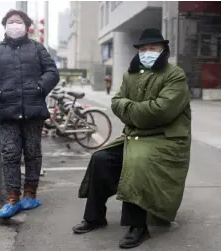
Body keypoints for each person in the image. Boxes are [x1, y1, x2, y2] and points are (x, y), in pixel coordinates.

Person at [72, 28, 192, 249]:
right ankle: (94, 217)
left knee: (137, 163)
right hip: (136, 136)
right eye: (143, 48)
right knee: (100, 158)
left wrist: (130, 109)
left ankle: (138, 226)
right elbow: (116, 102)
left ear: (163, 50)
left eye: (152, 48)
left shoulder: (175, 75)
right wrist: (133, 109)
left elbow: (161, 111)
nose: (147, 52)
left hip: (165, 139)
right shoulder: (130, 75)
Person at [0, 9, 59, 218]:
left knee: (33, 152)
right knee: (10, 153)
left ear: (26, 26)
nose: (14, 24)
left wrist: (40, 88)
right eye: (10, 21)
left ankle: (30, 194)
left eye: (18, 21)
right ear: (5, 26)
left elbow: (52, 72)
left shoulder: (37, 48)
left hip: (33, 110)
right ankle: (12, 198)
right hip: (8, 111)